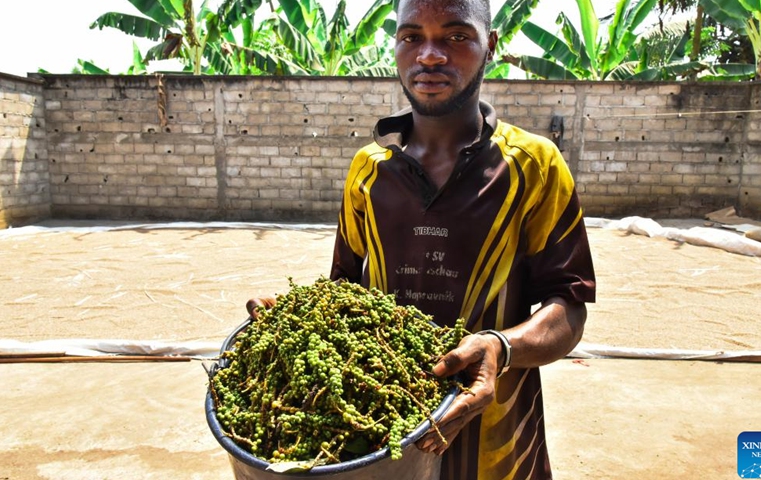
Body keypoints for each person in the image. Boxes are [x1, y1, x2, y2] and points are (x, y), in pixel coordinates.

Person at [248, 0, 596, 478]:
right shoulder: (369, 170)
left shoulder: (534, 165)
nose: (429, 55)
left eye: (455, 36)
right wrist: (297, 315)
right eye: (412, 37)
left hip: (498, 442)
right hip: (380, 435)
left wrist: (500, 345)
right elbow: (344, 290)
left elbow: (568, 308)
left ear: (489, 45)